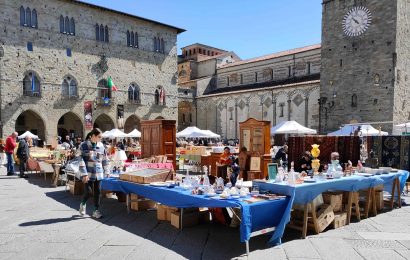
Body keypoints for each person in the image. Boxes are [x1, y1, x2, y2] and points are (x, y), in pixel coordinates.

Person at [78, 128, 109, 219]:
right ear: (93, 136)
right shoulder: (83, 145)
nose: (101, 138)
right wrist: (84, 173)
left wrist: (106, 170)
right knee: (88, 192)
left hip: (98, 172)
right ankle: (83, 204)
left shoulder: (101, 146)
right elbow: (80, 160)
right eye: (99, 137)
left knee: (98, 192)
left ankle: (96, 210)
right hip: (88, 172)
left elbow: (105, 159)